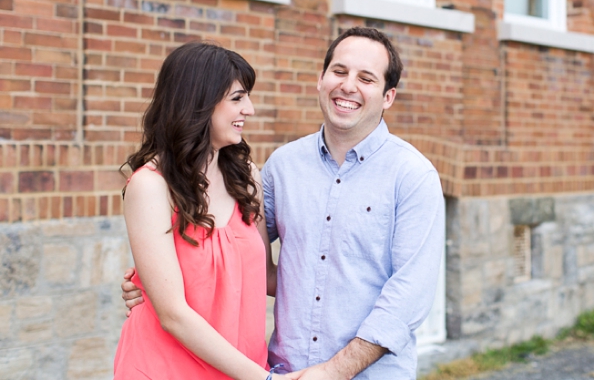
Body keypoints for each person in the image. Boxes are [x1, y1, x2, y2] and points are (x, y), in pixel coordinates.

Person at [124, 27, 445, 379]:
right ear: (320, 80)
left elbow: (408, 298)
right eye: (339, 71)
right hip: (280, 369)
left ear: (388, 96)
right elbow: (243, 259)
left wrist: (334, 371)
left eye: (366, 78)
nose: (348, 86)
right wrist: (148, 283)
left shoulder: (412, 177)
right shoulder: (281, 166)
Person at [114, 41, 276, 380]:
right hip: (166, 369)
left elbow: (268, 278)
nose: (250, 109)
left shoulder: (247, 177)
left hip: (244, 369)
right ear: (199, 103)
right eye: (237, 98)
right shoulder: (151, 186)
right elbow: (172, 313)